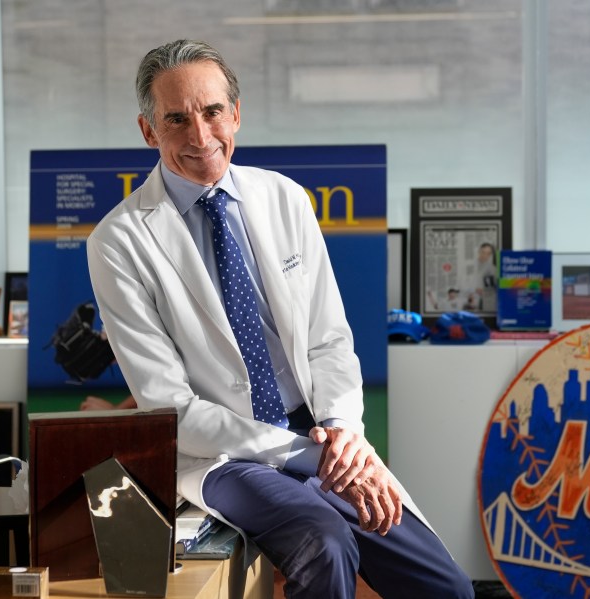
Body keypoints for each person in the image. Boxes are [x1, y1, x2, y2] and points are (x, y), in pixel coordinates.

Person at [87, 39, 473, 598]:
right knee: (325, 540)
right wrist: (309, 452)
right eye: (176, 119)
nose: (200, 136)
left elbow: (330, 342)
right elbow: (168, 409)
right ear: (149, 131)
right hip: (220, 456)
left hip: (321, 436)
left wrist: (342, 433)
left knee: (447, 588)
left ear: (235, 114)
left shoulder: (285, 198)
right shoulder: (118, 242)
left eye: (213, 111)